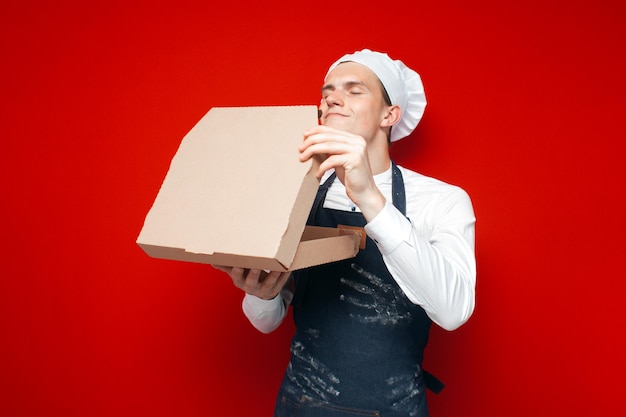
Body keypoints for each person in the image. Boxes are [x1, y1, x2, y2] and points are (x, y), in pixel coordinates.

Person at [213, 49, 476, 417]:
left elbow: (453, 311)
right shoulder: (295, 192)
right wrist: (260, 295)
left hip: (393, 408)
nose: (332, 98)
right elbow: (267, 323)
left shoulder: (442, 200)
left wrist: (370, 196)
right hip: (298, 404)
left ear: (390, 115)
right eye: (328, 91)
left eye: (354, 90)